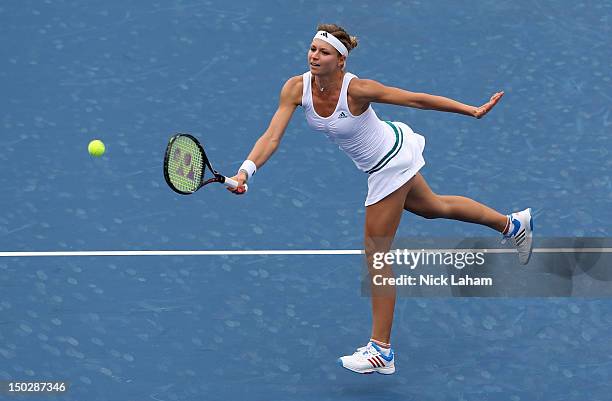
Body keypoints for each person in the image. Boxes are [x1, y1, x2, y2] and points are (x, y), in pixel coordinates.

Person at [228, 24, 533, 375]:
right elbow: (271, 137)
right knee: (434, 207)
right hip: (385, 156)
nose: (314, 56)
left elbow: (415, 99)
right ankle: (512, 225)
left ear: (340, 61)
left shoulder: (358, 89)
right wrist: (245, 172)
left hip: (389, 162)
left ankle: (381, 350)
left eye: (323, 52)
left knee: (376, 254)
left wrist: (472, 110)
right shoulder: (295, 88)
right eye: (312, 49)